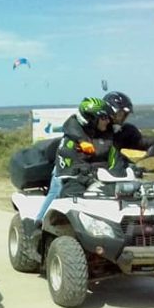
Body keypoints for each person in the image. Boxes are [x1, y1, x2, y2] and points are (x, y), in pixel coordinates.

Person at [24, 97, 110, 237]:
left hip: (82, 168)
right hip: (66, 168)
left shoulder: (92, 129)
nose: (107, 120)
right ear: (91, 118)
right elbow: (69, 133)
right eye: (103, 117)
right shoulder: (74, 128)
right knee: (56, 190)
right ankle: (37, 225)